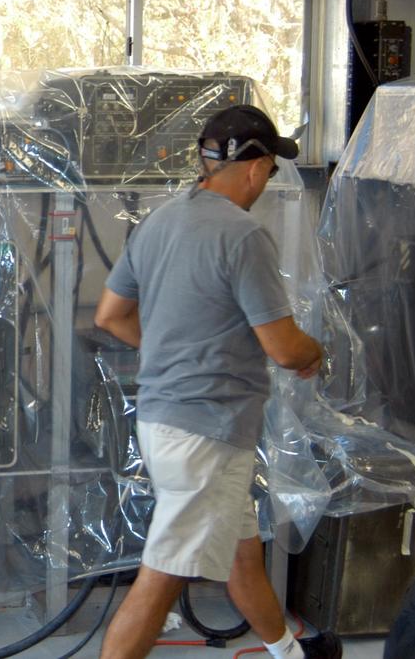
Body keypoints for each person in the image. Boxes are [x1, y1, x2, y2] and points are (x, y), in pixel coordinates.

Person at [93, 104, 340, 659]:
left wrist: (172, 350)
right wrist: (315, 352)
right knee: (161, 578)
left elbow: (109, 315)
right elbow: (282, 346)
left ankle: (289, 652)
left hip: (168, 422)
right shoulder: (243, 236)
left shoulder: (158, 221)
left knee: (240, 554)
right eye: (273, 171)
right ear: (255, 168)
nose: (267, 182)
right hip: (207, 431)